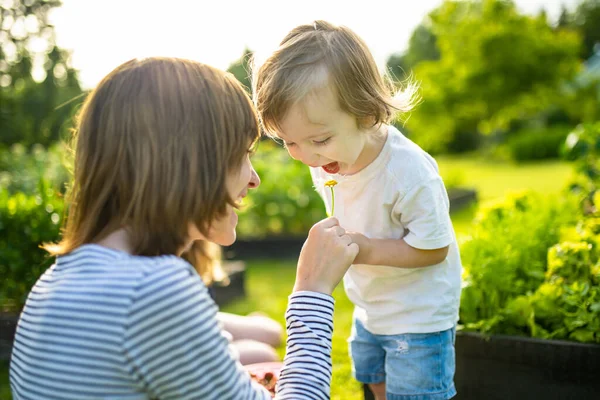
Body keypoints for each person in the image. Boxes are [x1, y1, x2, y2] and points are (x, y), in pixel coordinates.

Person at [9, 57, 358, 400]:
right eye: (242, 153)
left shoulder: (58, 277)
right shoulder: (153, 288)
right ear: (192, 161)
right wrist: (312, 290)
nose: (254, 179)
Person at [253, 20, 462, 400]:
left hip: (417, 316)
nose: (308, 157)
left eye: (320, 139)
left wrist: (365, 249)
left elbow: (435, 248)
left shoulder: (407, 173)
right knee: (371, 376)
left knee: (415, 390)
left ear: (366, 113)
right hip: (371, 307)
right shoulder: (328, 162)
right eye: (290, 143)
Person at [184, 240, 283, 365]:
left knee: (273, 332)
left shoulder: (195, 246)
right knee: (266, 355)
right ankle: (249, 327)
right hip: (193, 338)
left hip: (202, 321)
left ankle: (251, 324)